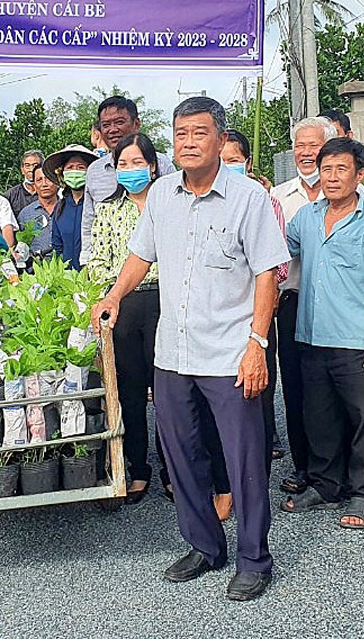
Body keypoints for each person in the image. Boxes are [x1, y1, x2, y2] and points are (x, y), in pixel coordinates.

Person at [92, 96, 289, 603]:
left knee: (243, 460)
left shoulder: (248, 198)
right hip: (173, 356)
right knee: (181, 456)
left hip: (229, 353)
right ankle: (205, 546)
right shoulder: (161, 196)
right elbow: (141, 254)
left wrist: (257, 344)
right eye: (180, 132)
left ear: (221, 140)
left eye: (199, 132)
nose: (187, 141)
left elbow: (268, 272)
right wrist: (114, 293)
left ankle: (253, 558)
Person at [281, 139, 364, 532]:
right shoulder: (307, 217)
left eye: (341, 169)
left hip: (357, 337)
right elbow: (280, 252)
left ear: (360, 175)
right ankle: (326, 484)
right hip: (311, 334)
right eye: (325, 169)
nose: (331, 177)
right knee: (319, 415)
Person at [85, 133, 164, 505]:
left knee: (169, 391)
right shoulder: (107, 210)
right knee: (129, 392)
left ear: (152, 165)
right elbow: (98, 263)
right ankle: (139, 468)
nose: (130, 170)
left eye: (137, 163)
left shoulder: (169, 205)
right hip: (125, 304)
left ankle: (173, 468)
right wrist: (106, 297)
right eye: (123, 164)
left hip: (166, 301)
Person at [268, 116, 334, 497]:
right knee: (296, 390)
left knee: (335, 387)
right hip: (293, 302)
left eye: (314, 146)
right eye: (300, 147)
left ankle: (336, 469)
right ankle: (304, 466)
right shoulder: (278, 197)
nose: (307, 153)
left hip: (339, 305)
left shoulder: (351, 193)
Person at [224, 128, 289, 483]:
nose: (227, 167)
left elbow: (276, 265)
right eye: (223, 161)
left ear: (247, 163)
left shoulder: (264, 200)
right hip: (221, 312)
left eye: (234, 161)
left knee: (257, 387)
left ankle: (257, 466)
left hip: (257, 310)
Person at [82, 96, 174, 260]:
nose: (112, 129)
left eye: (119, 122)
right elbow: (89, 220)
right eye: (106, 125)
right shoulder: (95, 171)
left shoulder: (162, 164)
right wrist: (87, 260)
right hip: (112, 271)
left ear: (136, 124)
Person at [42, 144, 97, 269]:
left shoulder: (98, 205)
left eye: (80, 167)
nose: (75, 171)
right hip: (68, 277)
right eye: (70, 167)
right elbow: (57, 246)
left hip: (95, 275)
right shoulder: (60, 208)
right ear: (62, 173)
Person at [324, 108, 364, 202]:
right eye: (324, 134)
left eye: (334, 133)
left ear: (348, 135)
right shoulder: (305, 178)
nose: (329, 139)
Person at [16, 162, 59, 263]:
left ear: (57, 182)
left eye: (48, 179)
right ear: (34, 186)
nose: (44, 184)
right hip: (36, 271)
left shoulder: (68, 209)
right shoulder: (25, 214)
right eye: (39, 180)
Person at [6, 150, 44, 217]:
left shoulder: (49, 191)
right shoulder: (11, 195)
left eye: (35, 165)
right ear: (22, 170)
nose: (31, 169)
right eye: (27, 166)